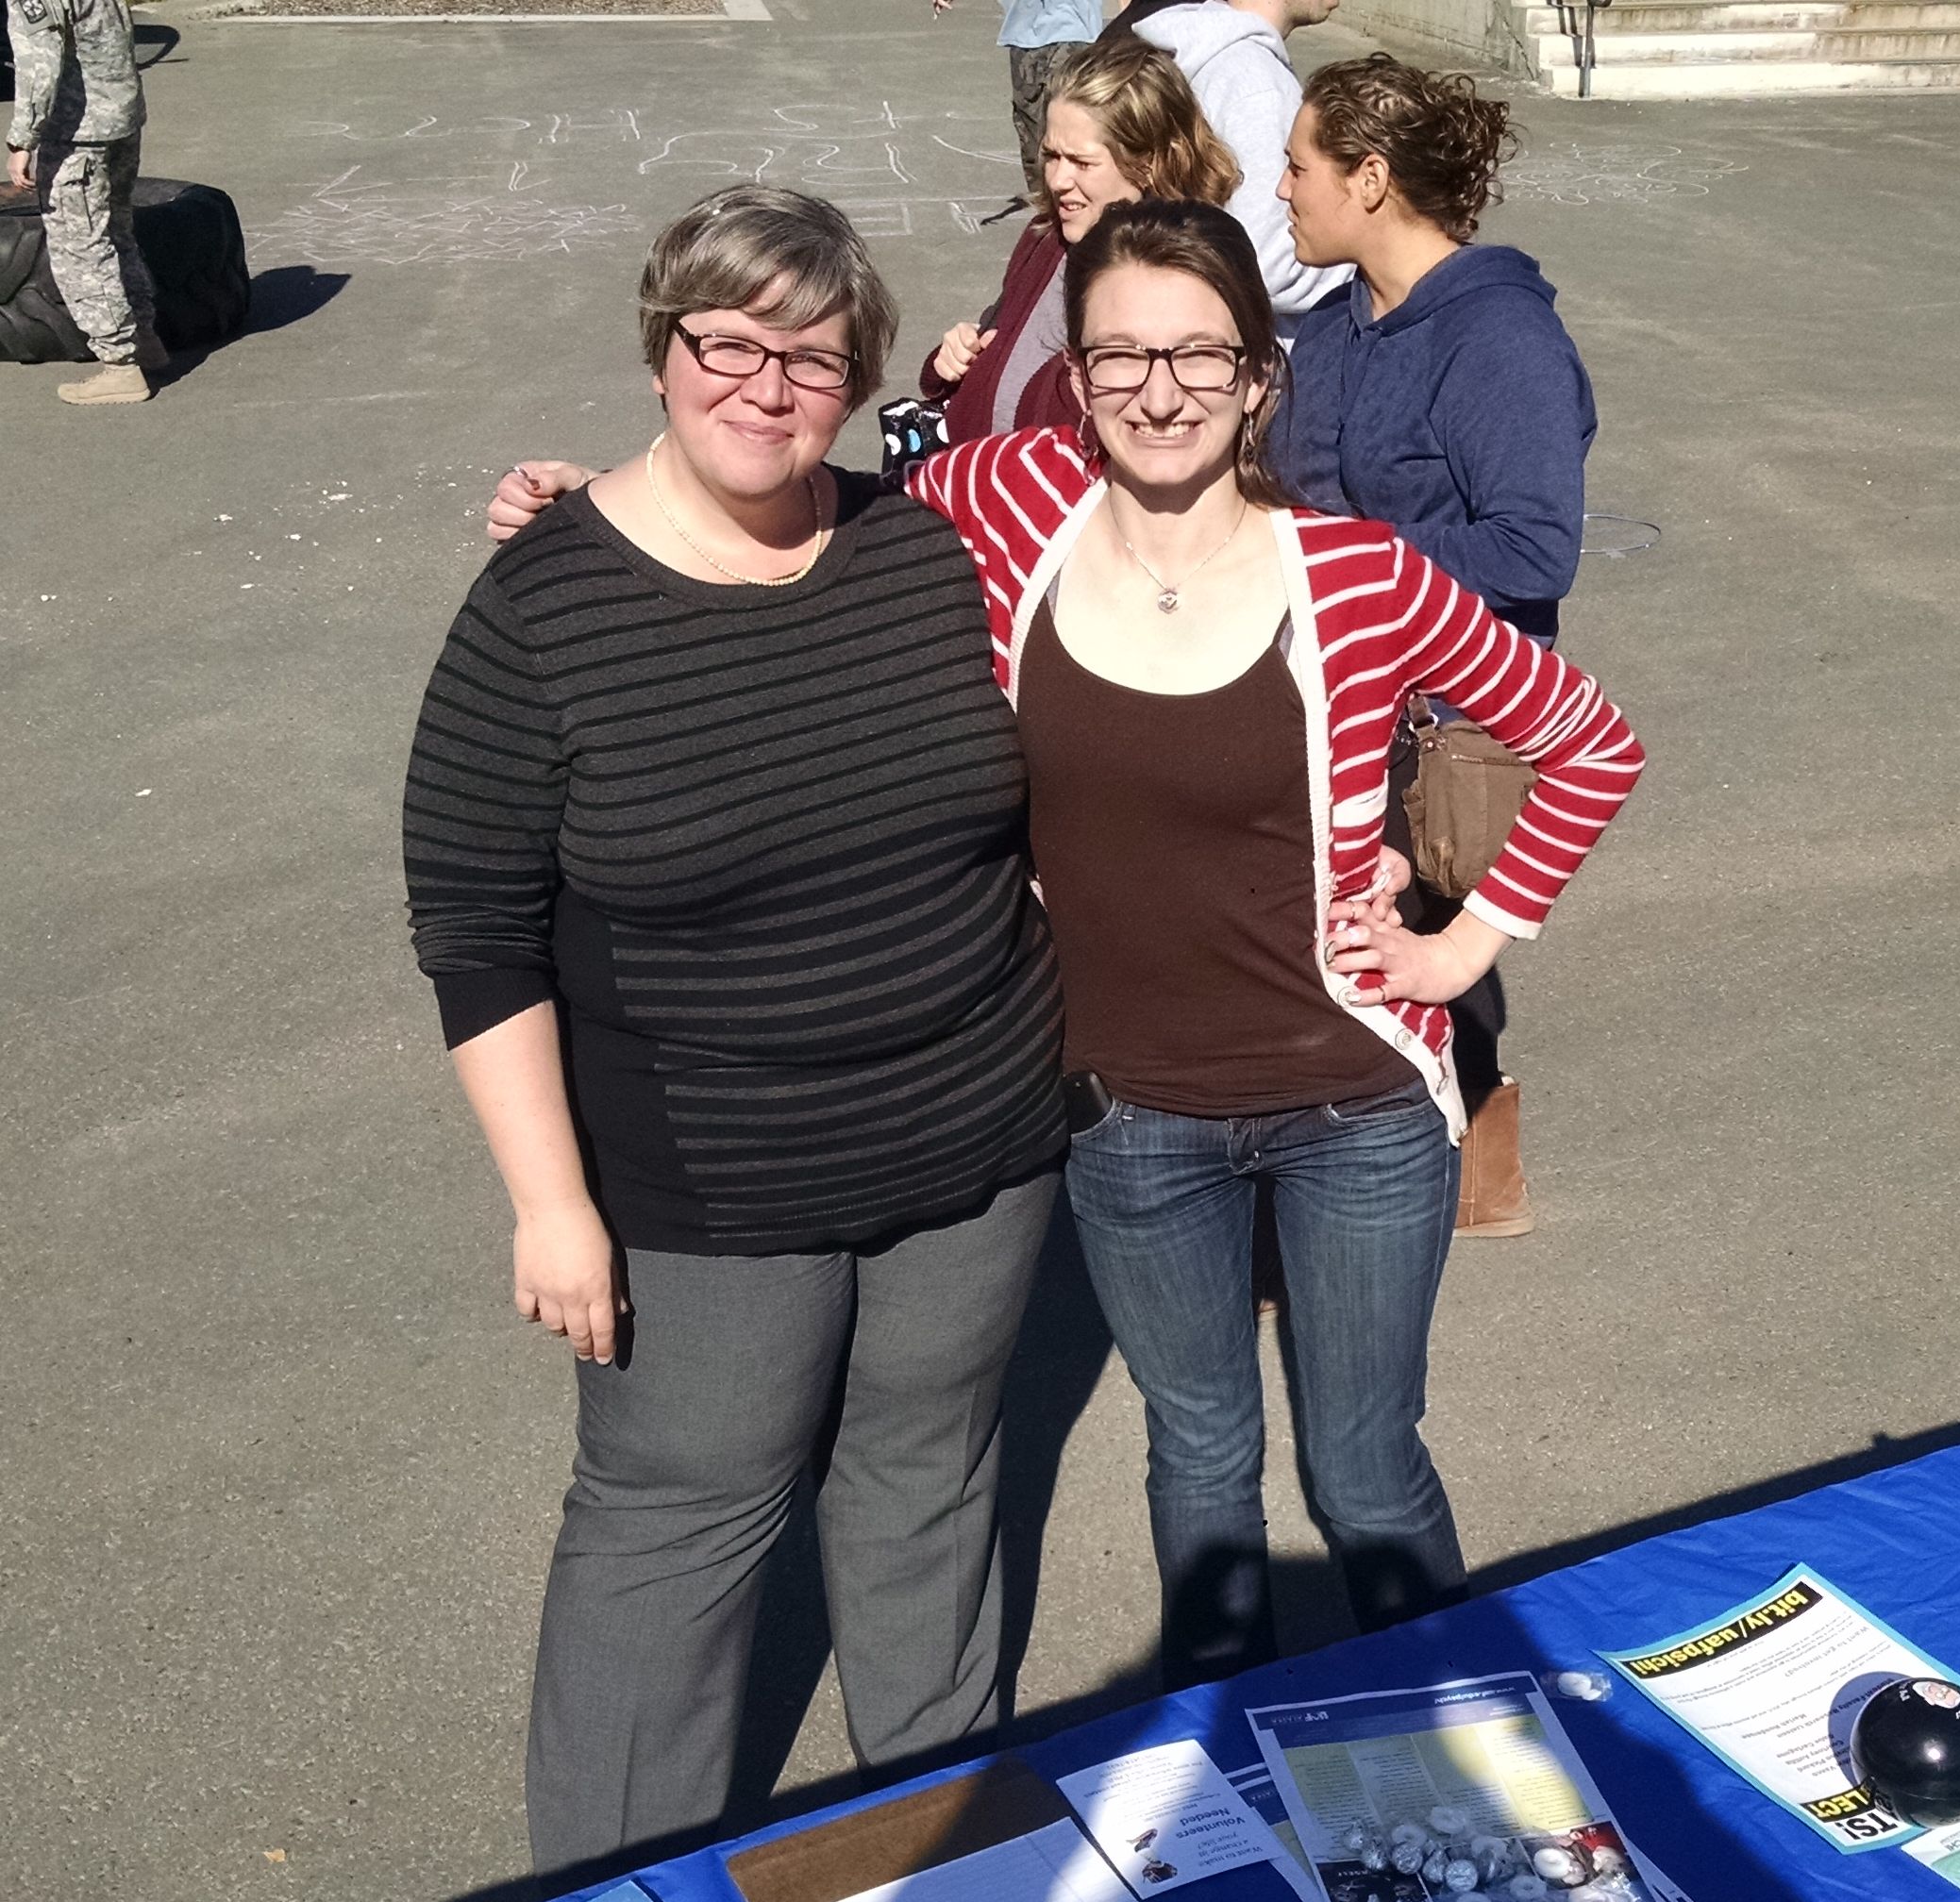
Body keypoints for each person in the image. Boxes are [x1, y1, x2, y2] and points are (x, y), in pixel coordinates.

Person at [481, 201, 1643, 1691]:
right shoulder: (1010, 503)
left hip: (1353, 1104)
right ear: (1075, 378)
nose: (1159, 392)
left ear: (1256, 376)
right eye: (1119, 358)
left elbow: (1586, 739)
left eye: (1198, 356)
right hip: (1123, 1115)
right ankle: (1232, 1757)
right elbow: (791, 486)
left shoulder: (1354, 573)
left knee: (1361, 1466)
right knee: (1199, 1451)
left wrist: (1467, 940)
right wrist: (603, 502)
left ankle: (1455, 1732)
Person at [405, 186, 1065, 1876]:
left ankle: (943, 1839)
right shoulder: (544, 607)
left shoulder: (920, 550)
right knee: (679, 1525)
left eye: (813, 359)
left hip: (976, 1144)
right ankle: (619, 1900)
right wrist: (550, 1202)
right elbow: (474, 926)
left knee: (926, 1482)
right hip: (707, 1185)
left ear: (860, 378)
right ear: (662, 346)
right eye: (728, 345)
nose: (767, 388)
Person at [1276, 56, 1599, 1236]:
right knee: (1337, 945)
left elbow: (1532, 548)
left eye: (1297, 167)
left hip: (1439, 718)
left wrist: (1350, 565)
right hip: (1327, 698)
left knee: (1401, 944)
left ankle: (1462, 1163)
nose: (1279, 189)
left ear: (1367, 180)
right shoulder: (1332, 326)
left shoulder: (1497, 337)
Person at [920, 37, 1237, 442]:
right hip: (984, 470)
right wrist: (954, 359)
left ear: (1150, 163)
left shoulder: (1177, 280)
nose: (1057, 180)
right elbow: (1002, 361)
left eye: (1082, 162)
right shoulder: (1047, 239)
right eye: (1052, 156)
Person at [1100, 0, 1349, 341]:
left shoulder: (1190, 49)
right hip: (1249, 346)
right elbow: (1269, 267)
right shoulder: (1255, 83)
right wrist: (1369, 259)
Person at [5, 0, 164, 405]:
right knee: (116, 232)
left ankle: (120, 364)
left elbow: (39, 64)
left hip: (78, 134)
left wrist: (23, 140)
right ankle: (145, 340)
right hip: (120, 120)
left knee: (80, 247)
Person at [934, 0, 1107, 199]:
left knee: (1070, 122)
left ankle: (1072, 197)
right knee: (1039, 127)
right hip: (1034, 34)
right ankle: (1049, 202)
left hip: (1065, 33)